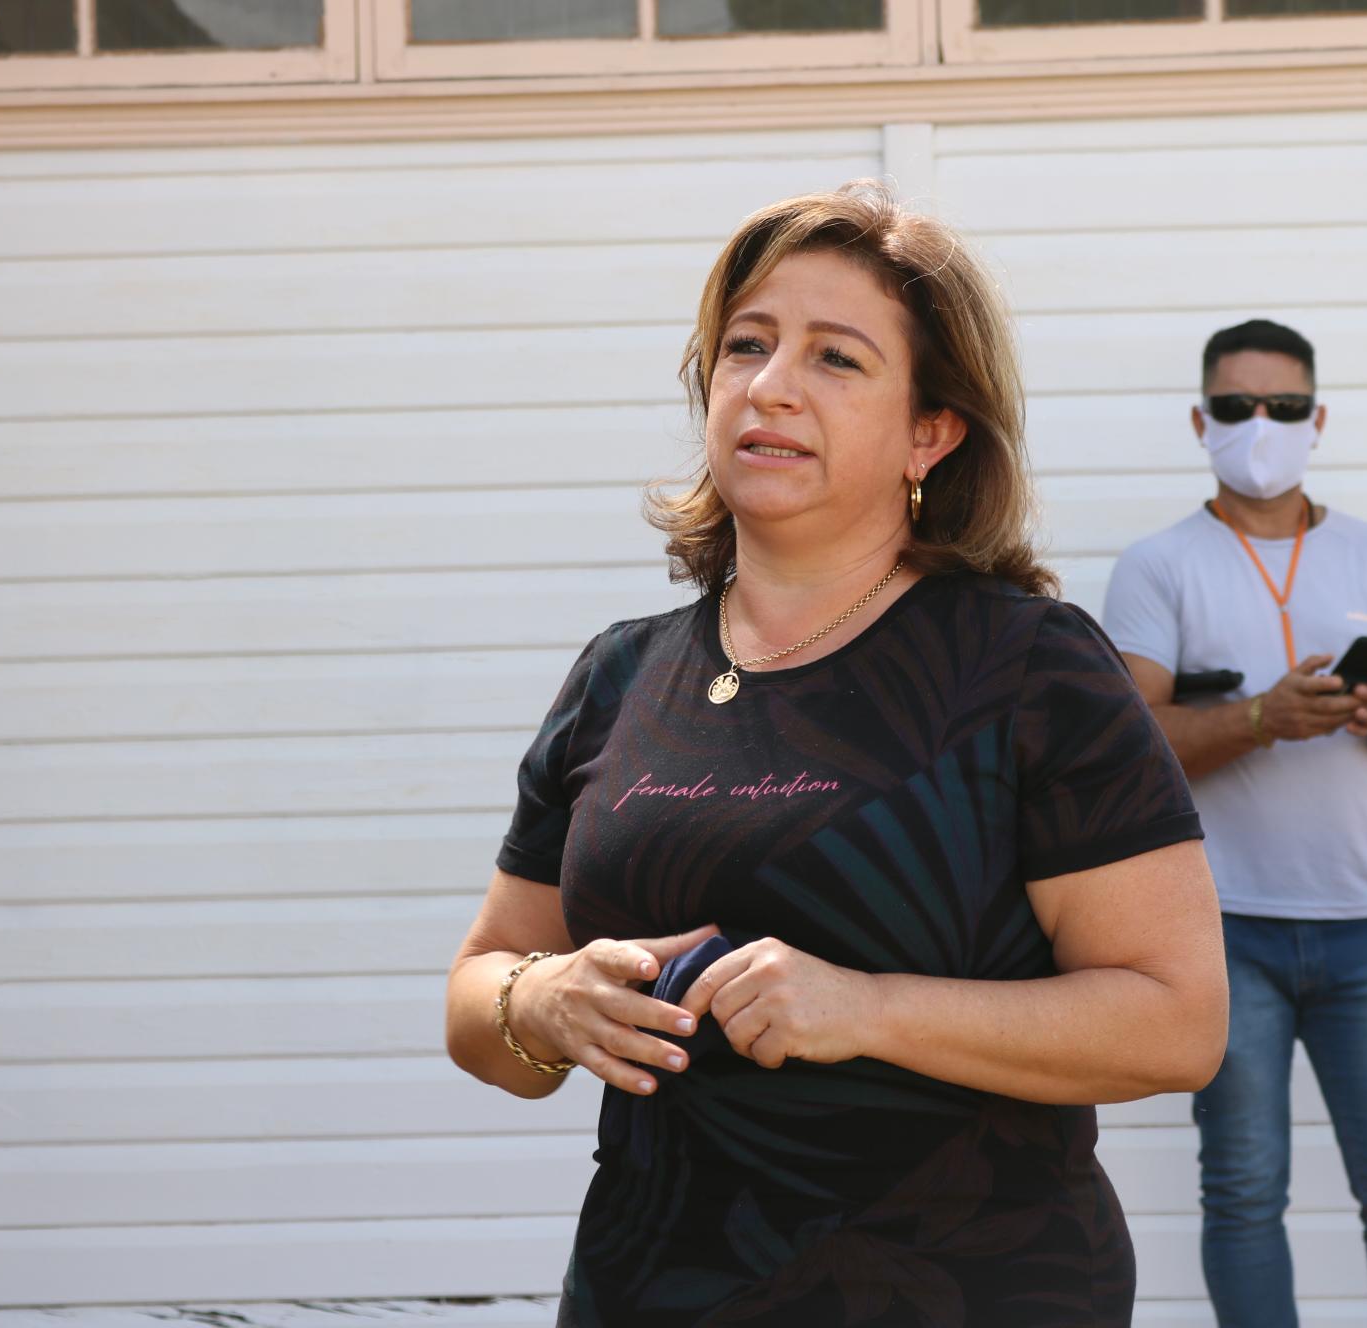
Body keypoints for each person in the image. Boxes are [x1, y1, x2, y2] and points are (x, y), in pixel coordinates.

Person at [444, 182, 1229, 1327]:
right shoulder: (620, 675)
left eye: (836, 357)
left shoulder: (1030, 668)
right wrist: (546, 999)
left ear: (931, 431)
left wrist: (867, 1008)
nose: (771, 384)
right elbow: (478, 994)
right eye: (746, 344)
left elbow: (1178, 1021)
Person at [1100, 319, 1367, 1327]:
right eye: (1235, 406)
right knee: (1244, 1192)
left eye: (1284, 406)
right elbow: (1129, 748)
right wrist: (1261, 718)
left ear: (1318, 419)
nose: (1260, 424)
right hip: (1225, 931)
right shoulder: (1159, 566)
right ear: (1200, 421)